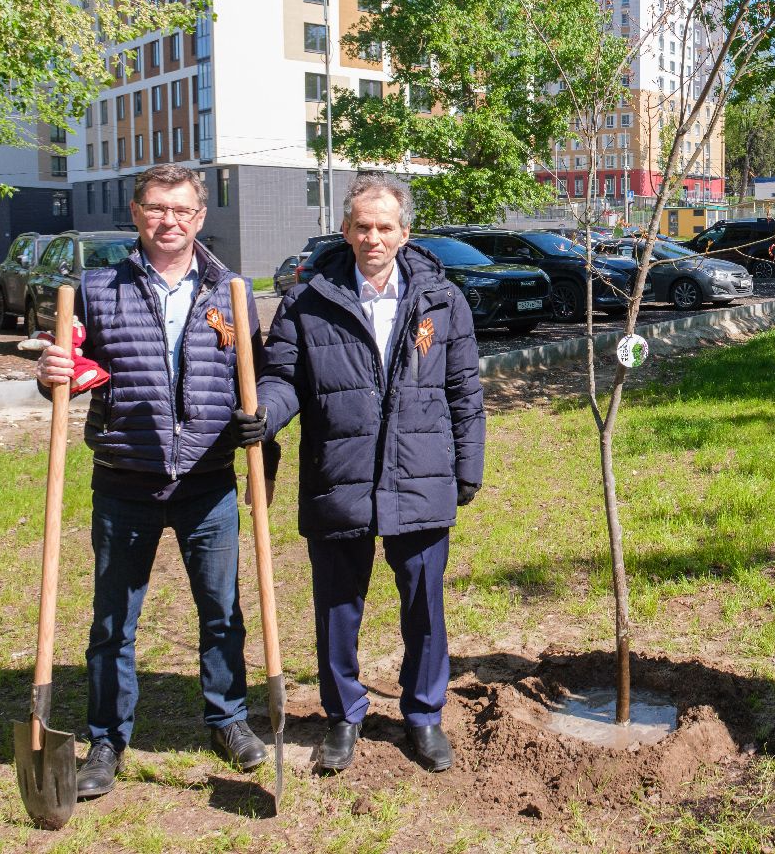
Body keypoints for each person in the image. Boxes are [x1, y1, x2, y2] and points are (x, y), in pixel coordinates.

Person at [35, 163, 271, 799]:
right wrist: (54, 370)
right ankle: (107, 739)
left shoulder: (231, 293)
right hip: (125, 478)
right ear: (137, 213)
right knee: (114, 621)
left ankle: (228, 719)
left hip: (208, 480)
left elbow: (258, 374)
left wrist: (261, 425)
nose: (169, 221)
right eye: (156, 208)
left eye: (182, 210)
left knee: (222, 613)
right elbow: (68, 366)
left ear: (200, 218)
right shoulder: (97, 289)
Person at [258, 172, 485, 774]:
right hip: (340, 473)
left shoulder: (442, 300)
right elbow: (283, 379)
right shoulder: (308, 301)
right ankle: (343, 716)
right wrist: (265, 414)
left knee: (424, 606)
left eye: (385, 227)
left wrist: (468, 466)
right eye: (362, 226)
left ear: (405, 233)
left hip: (421, 475)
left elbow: (464, 390)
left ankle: (424, 715)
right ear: (345, 229)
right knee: (337, 607)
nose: (373, 237)